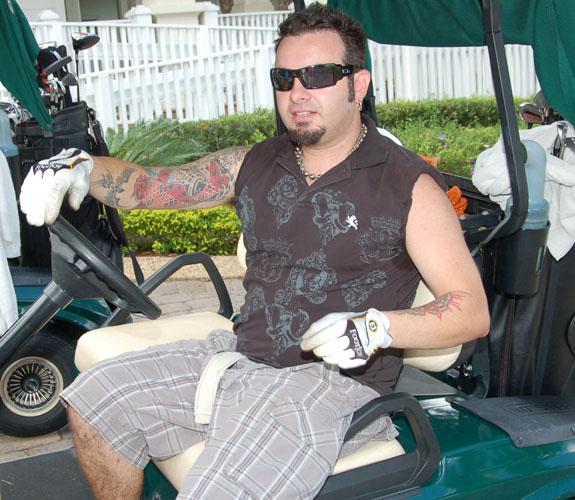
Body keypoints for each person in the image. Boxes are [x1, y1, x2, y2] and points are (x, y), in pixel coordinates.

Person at [19, 4, 490, 499]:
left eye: (319, 74)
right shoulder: (256, 161)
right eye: (284, 78)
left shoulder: (406, 185)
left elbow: (470, 309)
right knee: (95, 399)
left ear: (359, 84)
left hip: (328, 388)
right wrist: (82, 168)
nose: (298, 91)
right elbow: (154, 187)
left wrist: (379, 326)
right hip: (241, 355)